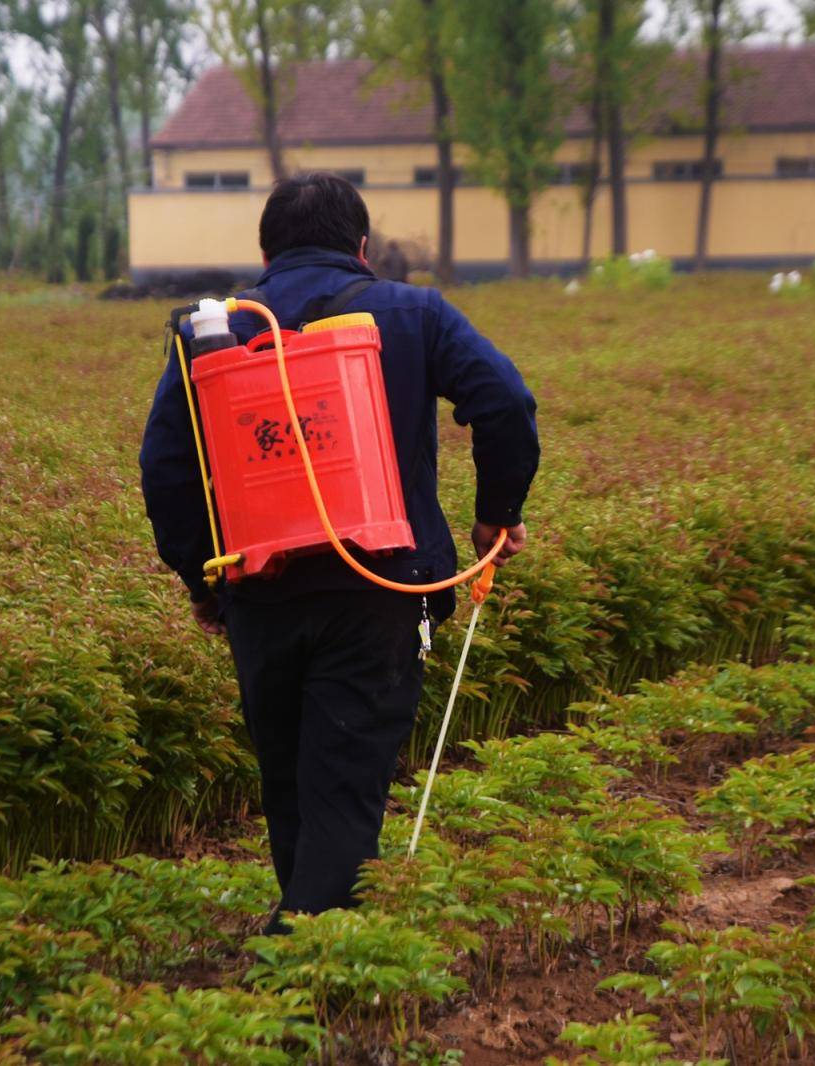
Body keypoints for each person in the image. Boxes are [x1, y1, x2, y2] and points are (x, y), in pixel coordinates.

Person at [140, 172, 540, 931]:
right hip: (379, 591)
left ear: (266, 253)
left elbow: (165, 466)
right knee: (344, 782)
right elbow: (505, 402)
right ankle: (306, 961)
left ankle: (312, 940)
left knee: (292, 778)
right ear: (362, 247)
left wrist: (202, 578)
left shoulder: (215, 331)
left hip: (261, 590)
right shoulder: (414, 312)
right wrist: (497, 515)